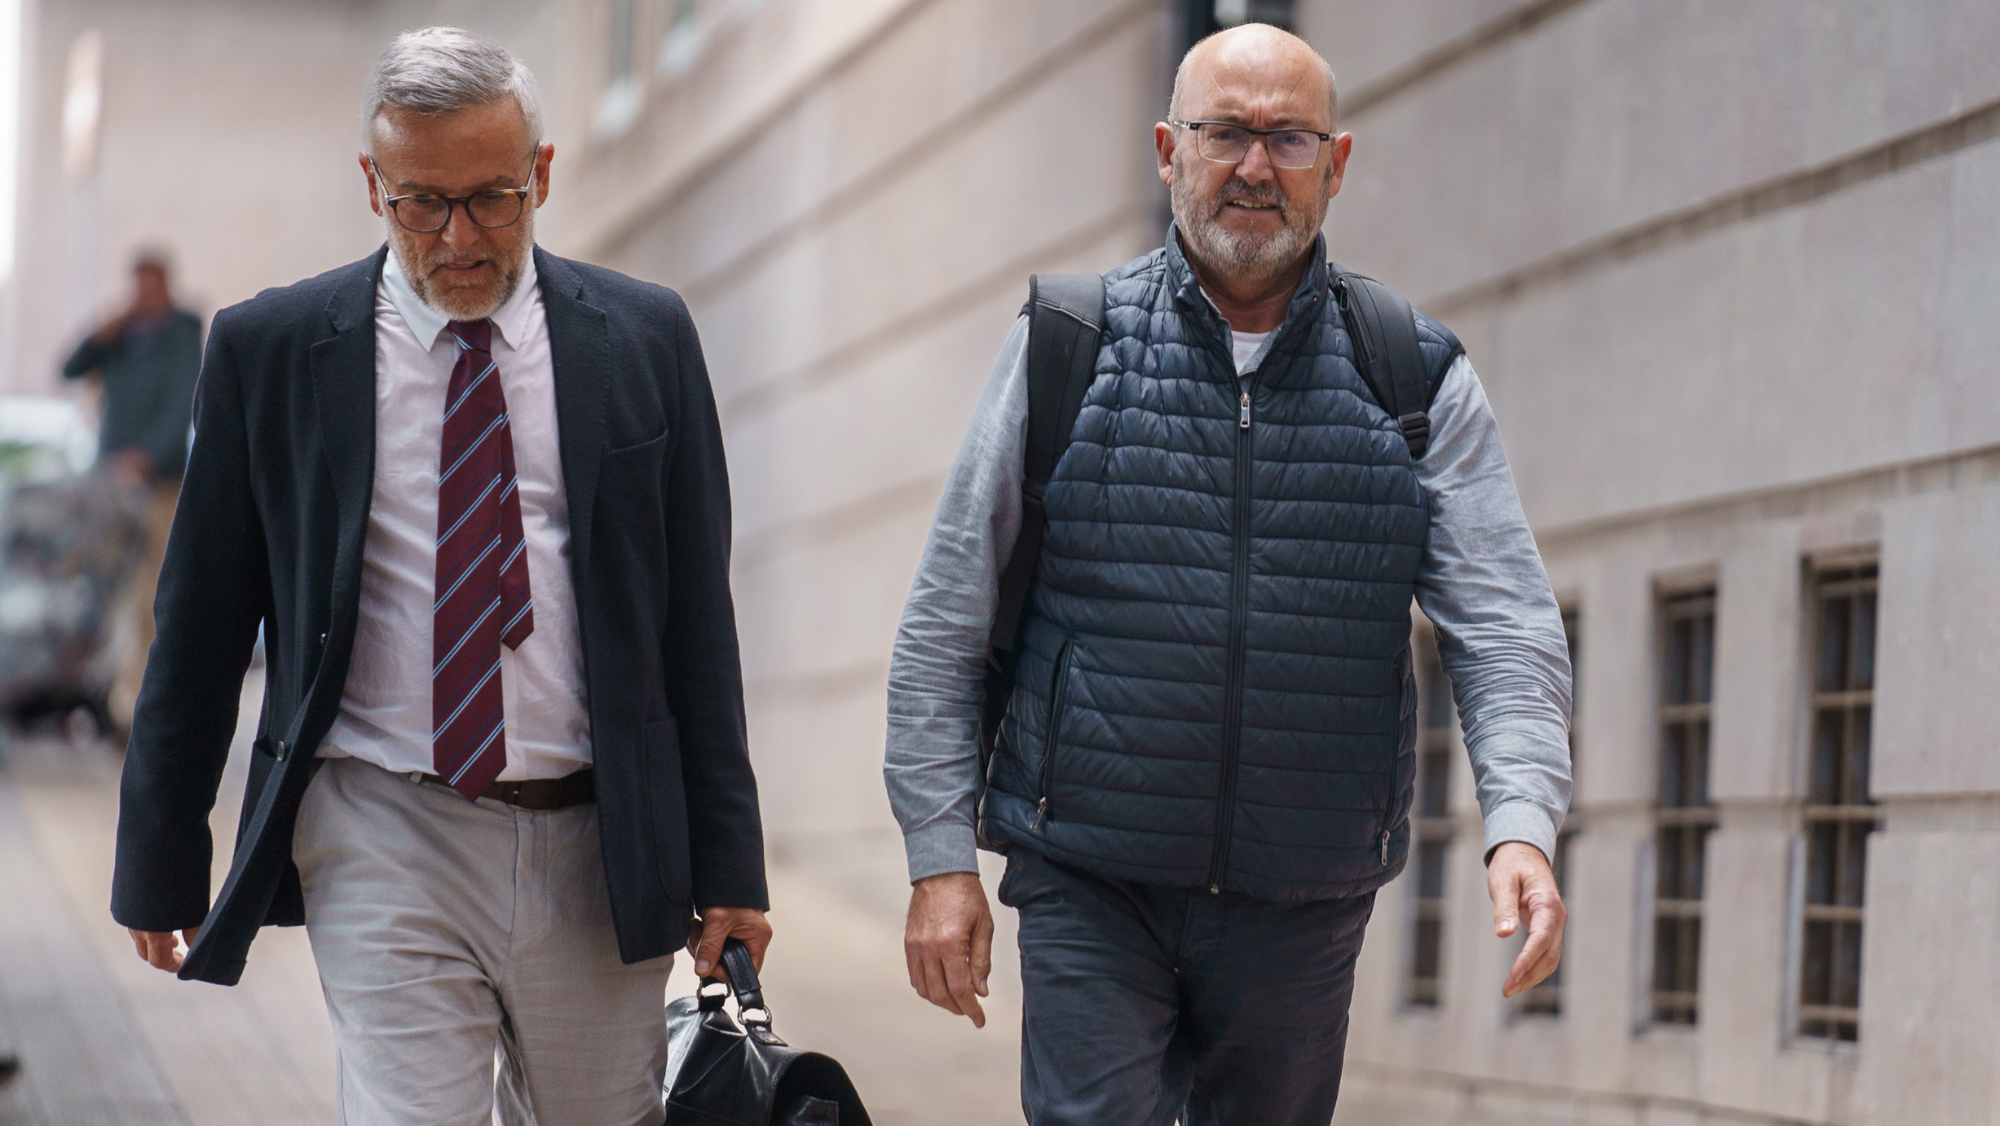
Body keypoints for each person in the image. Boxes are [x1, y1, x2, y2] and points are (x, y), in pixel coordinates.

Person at [887, 24, 1572, 1125]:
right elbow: (944, 622)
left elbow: (1504, 630)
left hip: (1301, 899)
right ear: (1167, 151)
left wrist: (1522, 824)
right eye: (1224, 133)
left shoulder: (1412, 371)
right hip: (1088, 877)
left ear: (1334, 165)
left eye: (1287, 138)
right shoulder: (1069, 341)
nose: (1254, 166)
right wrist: (937, 859)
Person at [110, 27, 769, 1126]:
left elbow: (695, 621)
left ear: (542, 175)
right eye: (422, 203)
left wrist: (731, 862)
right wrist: (161, 855)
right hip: (382, 822)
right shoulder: (270, 352)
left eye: (493, 199)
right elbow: (201, 622)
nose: (458, 238)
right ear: (373, 185)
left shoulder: (643, 339)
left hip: (597, 838)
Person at [62, 252, 203, 736]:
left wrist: (148, 455)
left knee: (149, 594)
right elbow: (70, 367)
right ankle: (99, 692)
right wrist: (106, 329)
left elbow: (184, 403)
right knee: (102, 591)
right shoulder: (121, 338)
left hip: (158, 483)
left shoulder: (183, 338)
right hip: (108, 485)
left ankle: (140, 702)